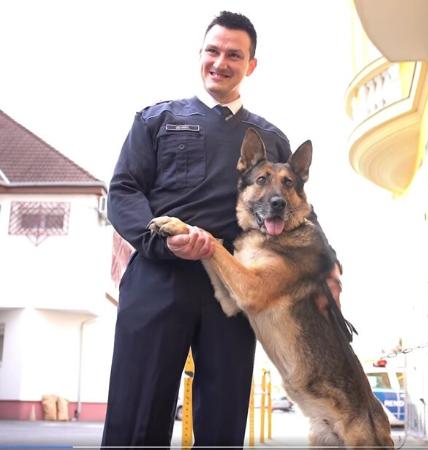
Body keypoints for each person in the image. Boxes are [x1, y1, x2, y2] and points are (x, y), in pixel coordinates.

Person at [102, 11, 339, 447]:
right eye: (213, 51)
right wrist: (163, 242)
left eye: (234, 55)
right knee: (136, 414)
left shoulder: (272, 139)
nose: (220, 62)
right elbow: (122, 190)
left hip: (233, 288)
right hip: (159, 276)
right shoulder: (156, 120)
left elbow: (297, 208)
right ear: (201, 54)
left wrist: (328, 266)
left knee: (223, 418)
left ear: (250, 65)